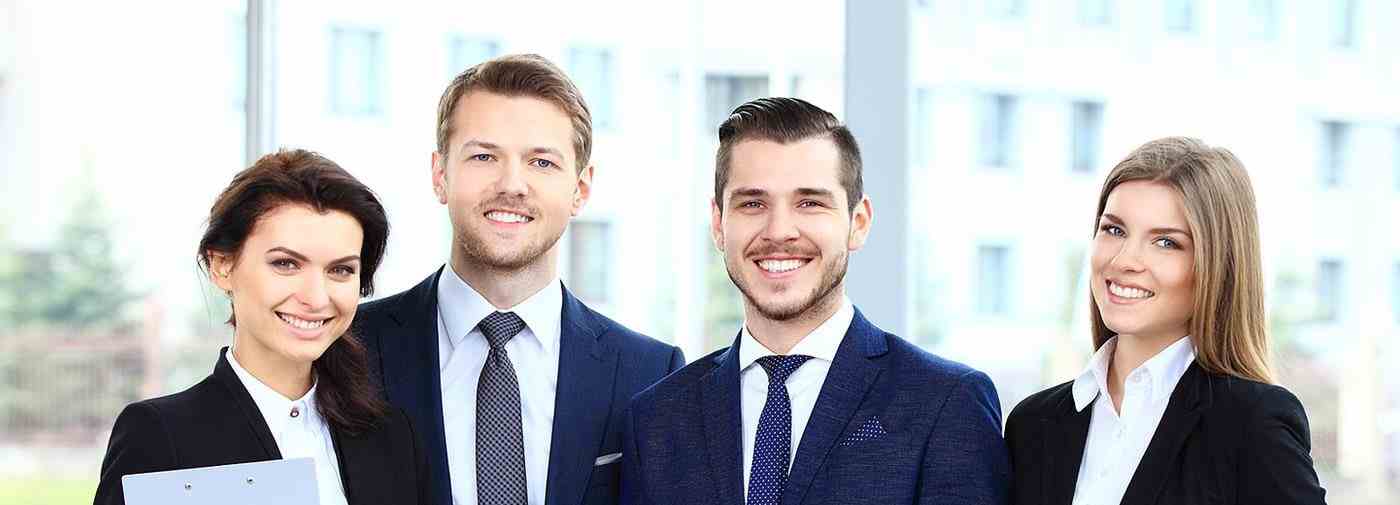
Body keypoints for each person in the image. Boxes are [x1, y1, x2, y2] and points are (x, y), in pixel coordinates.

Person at [621, 97, 1010, 505]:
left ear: (858, 223)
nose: (779, 231)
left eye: (810, 203)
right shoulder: (656, 420)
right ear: (719, 224)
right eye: (753, 203)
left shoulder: (945, 403)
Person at [352, 53, 684, 505]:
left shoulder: (651, 374)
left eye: (541, 162)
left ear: (580, 189)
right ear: (440, 175)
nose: (512, 184)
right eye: (484, 156)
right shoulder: (348, 349)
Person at [94, 149, 428, 505]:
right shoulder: (161, 435)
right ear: (222, 266)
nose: (316, 297)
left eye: (340, 270)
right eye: (286, 264)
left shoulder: (391, 435)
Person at [1004, 137, 1327, 505]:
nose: (1124, 261)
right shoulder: (1032, 425)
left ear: (1216, 266)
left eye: (1166, 243)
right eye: (1114, 230)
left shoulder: (1251, 423)